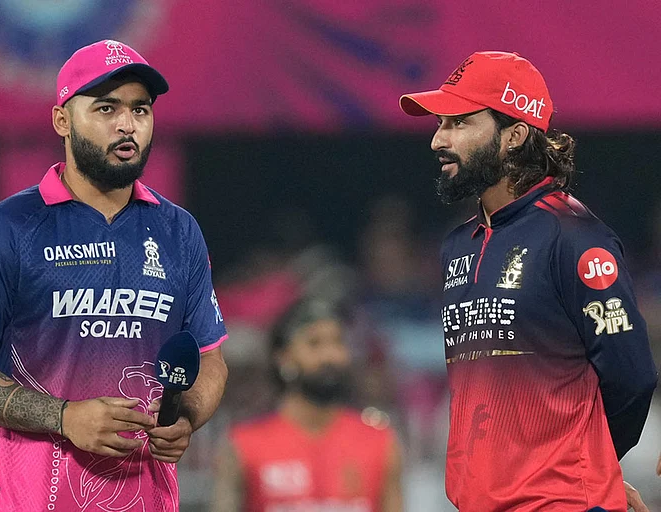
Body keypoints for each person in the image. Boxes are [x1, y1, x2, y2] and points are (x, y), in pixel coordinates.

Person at [0, 39, 228, 511]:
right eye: (107, 108)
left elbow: (210, 359)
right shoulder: (3, 231)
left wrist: (186, 416)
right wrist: (64, 418)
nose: (128, 124)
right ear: (62, 121)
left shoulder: (179, 232)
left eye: (141, 109)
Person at [398, 51, 657, 511]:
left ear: (514, 135)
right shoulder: (457, 245)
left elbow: (632, 377)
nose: (438, 139)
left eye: (458, 122)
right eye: (439, 123)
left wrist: (587, 467)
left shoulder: (576, 237)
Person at [211, 298, 404, 512]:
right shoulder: (243, 445)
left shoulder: (380, 442)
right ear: (283, 357)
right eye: (314, 343)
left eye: (338, 342)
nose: (330, 356)